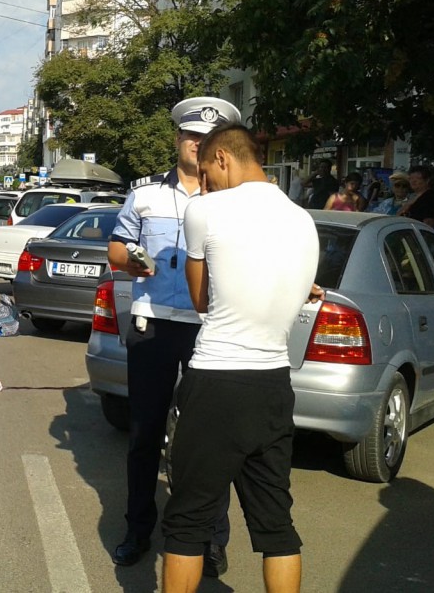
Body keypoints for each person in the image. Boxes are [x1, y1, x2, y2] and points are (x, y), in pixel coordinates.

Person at [161, 123, 318, 593]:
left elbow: (200, 300)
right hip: (273, 383)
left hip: (218, 380)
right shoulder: (303, 220)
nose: (206, 183)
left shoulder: (203, 210)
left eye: (208, 171)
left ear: (224, 158)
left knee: (187, 522)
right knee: (276, 527)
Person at [106, 96, 239, 574]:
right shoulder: (145, 195)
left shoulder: (231, 199)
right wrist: (131, 260)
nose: (195, 143)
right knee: (144, 435)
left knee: (209, 441)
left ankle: (211, 539)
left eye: (205, 138)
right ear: (178, 139)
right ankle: (138, 529)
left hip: (211, 330)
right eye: (189, 135)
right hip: (153, 324)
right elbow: (116, 250)